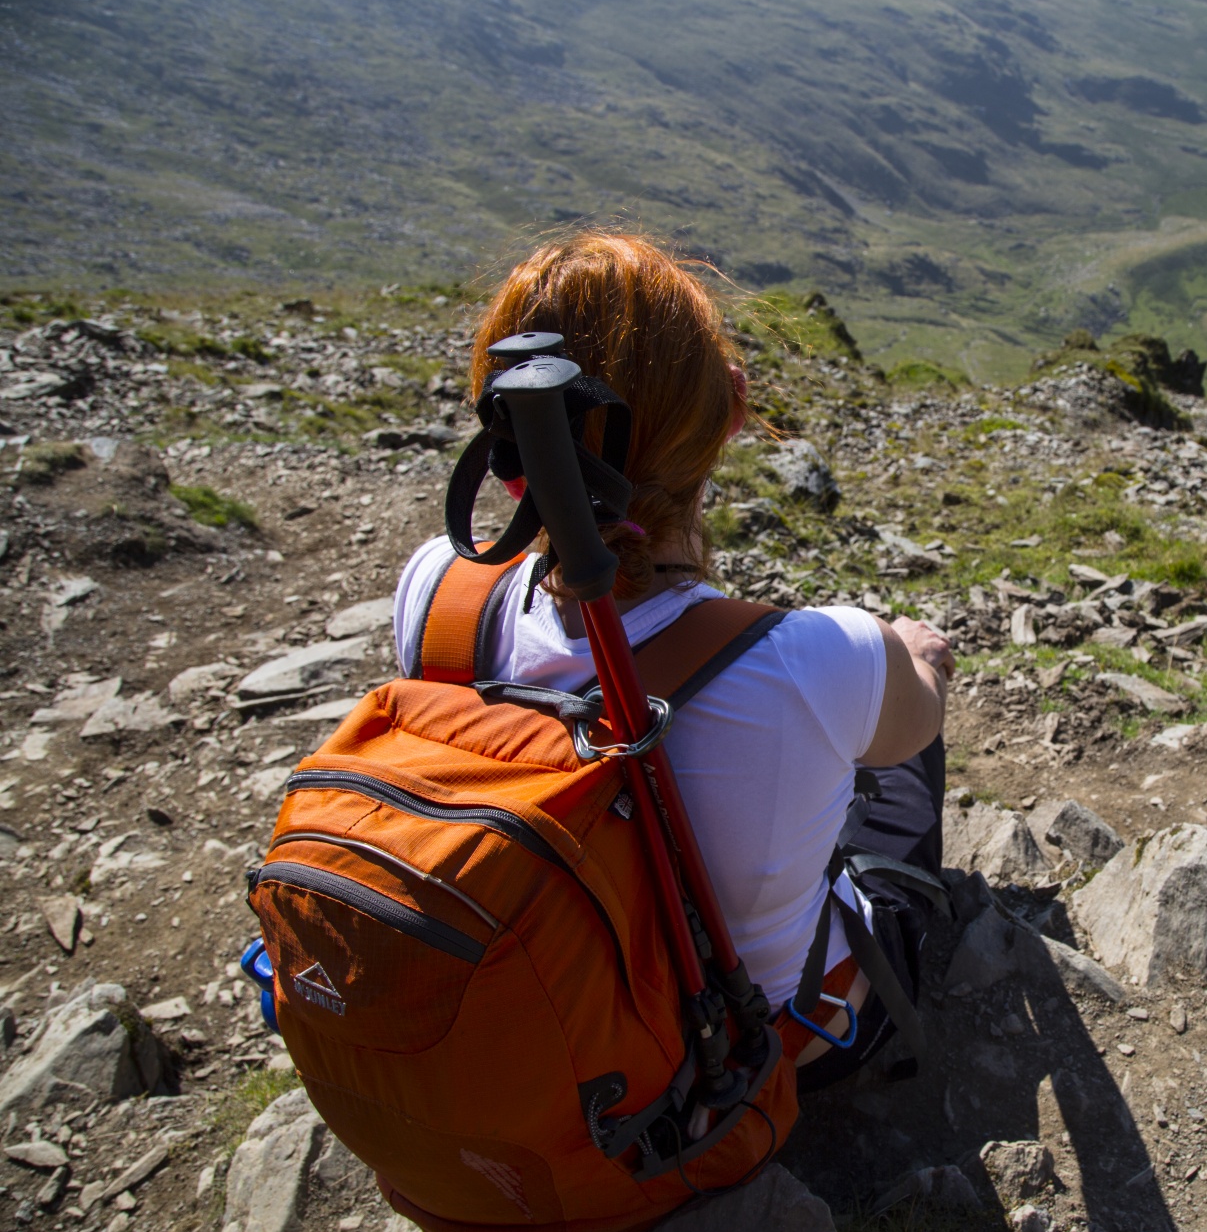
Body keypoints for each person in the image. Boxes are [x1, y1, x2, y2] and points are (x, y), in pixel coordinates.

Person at [391, 230, 954, 1086]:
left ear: (504, 446)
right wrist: (908, 654)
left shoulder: (438, 593)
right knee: (903, 761)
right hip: (739, 1063)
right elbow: (917, 718)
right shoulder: (812, 659)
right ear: (731, 411)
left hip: (543, 1035)